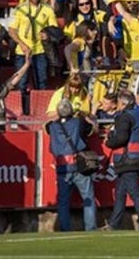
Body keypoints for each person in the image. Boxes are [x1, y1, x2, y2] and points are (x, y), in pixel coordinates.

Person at [104, 89, 139, 231]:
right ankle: (114, 224)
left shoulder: (124, 117)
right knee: (120, 193)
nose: (117, 105)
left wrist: (108, 142)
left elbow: (121, 138)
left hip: (128, 160)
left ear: (123, 103)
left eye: (119, 102)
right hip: (138, 158)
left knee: (134, 193)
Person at [47, 98, 97, 232]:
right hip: (79, 165)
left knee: (63, 202)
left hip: (62, 167)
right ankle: (91, 228)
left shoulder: (51, 126)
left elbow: (45, 126)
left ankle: (65, 228)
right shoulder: (78, 123)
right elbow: (92, 129)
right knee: (88, 198)